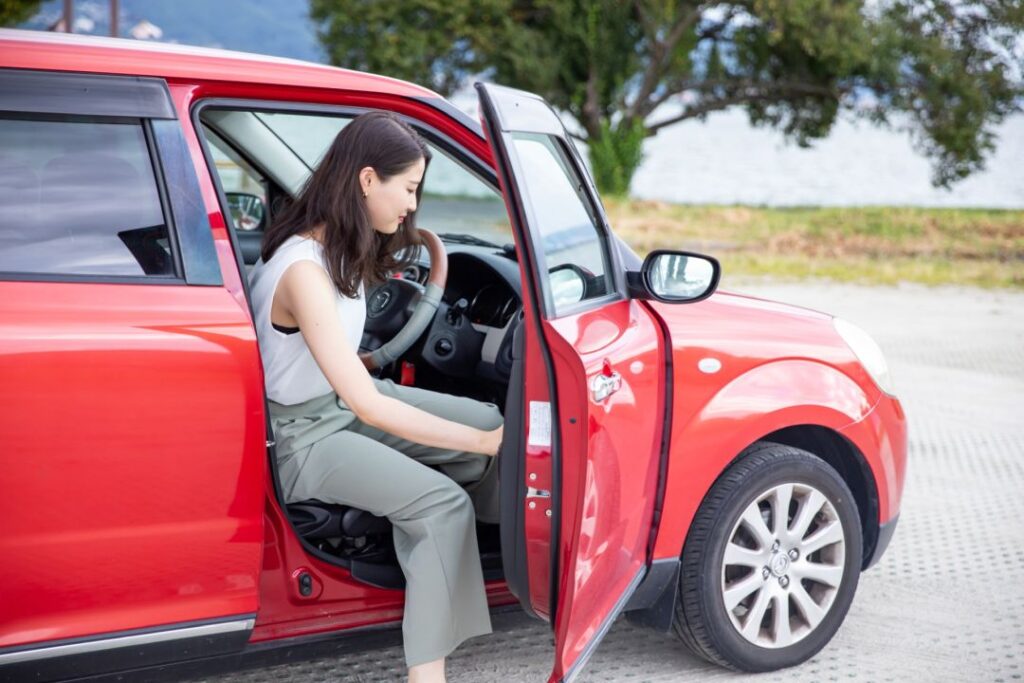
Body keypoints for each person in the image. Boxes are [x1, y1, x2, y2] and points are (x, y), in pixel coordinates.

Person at [248, 110, 504, 683]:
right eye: (408, 188)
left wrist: (487, 434)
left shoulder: (330, 251)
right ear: (368, 180)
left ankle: (498, 567)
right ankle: (427, 672)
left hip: (335, 404)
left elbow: (329, 365)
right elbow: (368, 405)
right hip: (303, 438)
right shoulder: (303, 271)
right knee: (444, 504)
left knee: (491, 416)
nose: (412, 204)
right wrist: (484, 442)